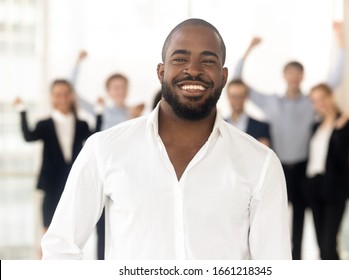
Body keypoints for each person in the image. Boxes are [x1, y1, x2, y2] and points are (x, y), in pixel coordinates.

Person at [41, 18, 291, 260]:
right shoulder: (104, 149)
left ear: (224, 76)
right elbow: (61, 249)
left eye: (208, 60)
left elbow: (273, 263)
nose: (193, 70)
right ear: (161, 71)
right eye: (180, 58)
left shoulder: (261, 163)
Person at [234, 22, 345, 259]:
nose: (294, 77)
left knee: (301, 224)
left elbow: (335, 78)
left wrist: (340, 38)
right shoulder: (271, 102)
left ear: (302, 76)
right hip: (278, 168)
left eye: (297, 73)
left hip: (304, 170)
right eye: (290, 73)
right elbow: (237, 81)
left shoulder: (310, 103)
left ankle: (299, 264)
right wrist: (248, 49)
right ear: (284, 76)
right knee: (275, 220)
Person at [14, 79, 102, 257]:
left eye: (65, 94)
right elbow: (28, 136)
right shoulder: (44, 124)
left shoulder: (81, 124)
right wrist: (22, 111)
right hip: (51, 184)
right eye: (57, 94)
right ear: (52, 97)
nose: (61, 98)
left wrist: (99, 112)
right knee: (47, 230)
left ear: (71, 96)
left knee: (73, 228)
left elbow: (96, 136)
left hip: (74, 182)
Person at [72, 51, 145, 259]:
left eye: (122, 87)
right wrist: (78, 63)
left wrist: (135, 118)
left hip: (128, 173)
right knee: (102, 227)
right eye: (115, 88)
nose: (119, 91)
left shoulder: (136, 113)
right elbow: (73, 92)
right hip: (105, 172)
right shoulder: (101, 111)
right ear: (108, 91)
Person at [305, 83, 349, 259]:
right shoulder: (316, 126)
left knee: (328, 244)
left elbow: (342, 157)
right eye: (315, 100)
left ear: (331, 97)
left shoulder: (344, 123)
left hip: (334, 188)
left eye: (322, 98)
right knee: (321, 246)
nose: (320, 103)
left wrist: (338, 130)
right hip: (315, 187)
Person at [225, 79, 271, 147]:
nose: (237, 100)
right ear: (228, 97)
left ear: (246, 97)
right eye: (234, 96)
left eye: (241, 96)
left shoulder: (261, 128)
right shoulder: (216, 126)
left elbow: (263, 155)